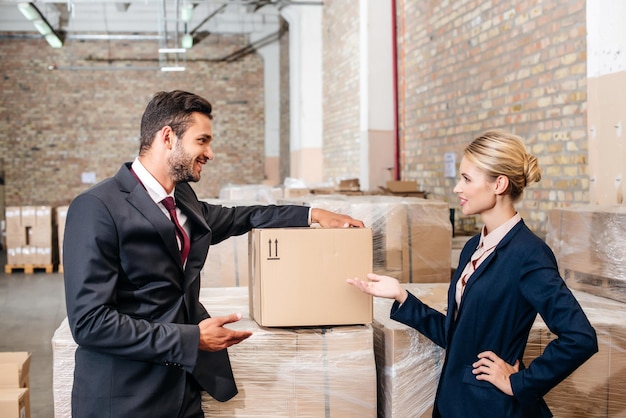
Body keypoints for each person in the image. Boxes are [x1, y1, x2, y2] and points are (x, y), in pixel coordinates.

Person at [63, 89, 364, 418]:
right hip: (125, 396)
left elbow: (241, 217)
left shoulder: (183, 200)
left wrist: (313, 214)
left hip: (183, 389)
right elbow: (90, 323)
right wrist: (191, 339)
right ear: (167, 137)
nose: (210, 152)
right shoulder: (96, 207)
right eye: (202, 141)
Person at [348, 130, 598, 417]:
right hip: (455, 403)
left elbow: (580, 338)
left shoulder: (529, 254)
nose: (457, 188)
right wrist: (402, 296)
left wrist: (519, 382)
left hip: (491, 408)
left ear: (499, 184)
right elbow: (458, 335)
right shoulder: (473, 247)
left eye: (467, 179)